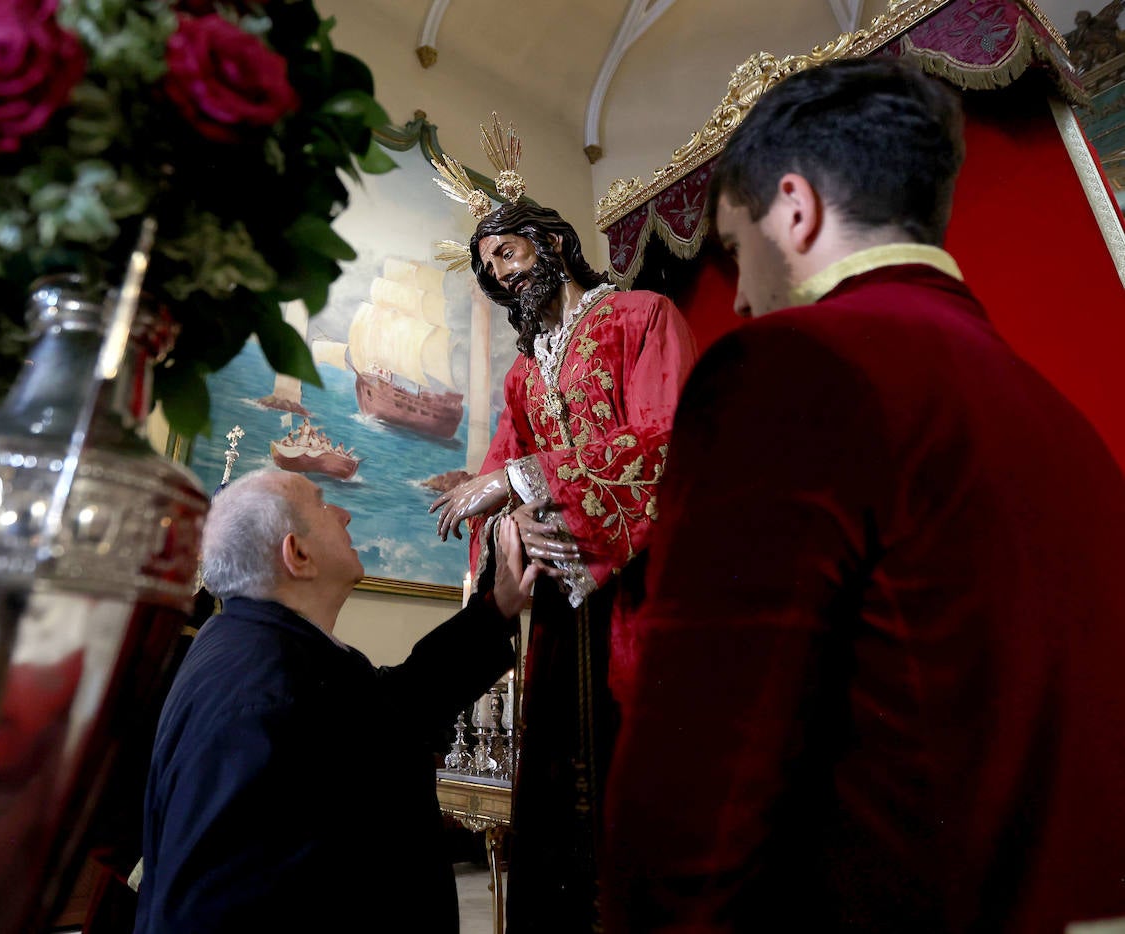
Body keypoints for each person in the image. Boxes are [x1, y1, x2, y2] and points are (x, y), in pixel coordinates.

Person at [602, 57, 1125, 933]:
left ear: (796, 211)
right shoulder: (1060, 420)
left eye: (737, 256)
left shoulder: (788, 369)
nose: (740, 306)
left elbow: (700, 785)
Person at [429, 201, 697, 931]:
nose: (500, 275)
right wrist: (493, 506)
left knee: (636, 773)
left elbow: (671, 442)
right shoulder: (522, 376)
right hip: (560, 597)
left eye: (508, 254)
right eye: (489, 268)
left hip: (639, 588)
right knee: (559, 794)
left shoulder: (641, 317)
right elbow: (500, 466)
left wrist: (523, 481)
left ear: (551, 243)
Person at [134, 468, 537, 933]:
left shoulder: (262, 644)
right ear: (298, 554)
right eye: (324, 505)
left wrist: (497, 607)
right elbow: (209, 911)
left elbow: (392, 710)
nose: (344, 514)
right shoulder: (266, 697)